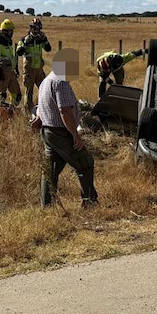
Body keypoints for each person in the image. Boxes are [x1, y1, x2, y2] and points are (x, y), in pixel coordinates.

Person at [31, 48, 98, 208]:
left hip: (47, 132)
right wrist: (75, 135)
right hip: (61, 132)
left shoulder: (46, 81)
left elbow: (41, 106)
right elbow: (65, 111)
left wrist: (39, 119)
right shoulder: (60, 82)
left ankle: (47, 206)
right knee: (85, 163)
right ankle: (89, 202)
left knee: (50, 170)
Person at [17, 18, 52, 101]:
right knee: (29, 92)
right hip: (29, 70)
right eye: (34, 28)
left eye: (38, 28)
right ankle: (28, 112)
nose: (36, 30)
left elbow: (48, 49)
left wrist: (45, 40)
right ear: (31, 28)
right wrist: (25, 44)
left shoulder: (40, 39)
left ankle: (43, 109)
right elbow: (19, 53)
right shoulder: (24, 39)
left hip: (39, 70)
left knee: (45, 90)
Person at [0, 18, 22, 106]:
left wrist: (15, 69)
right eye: (10, 31)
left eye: (12, 31)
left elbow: (11, 57)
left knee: (17, 95)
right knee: (2, 95)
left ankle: (12, 112)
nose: (12, 33)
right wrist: (0, 72)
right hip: (2, 71)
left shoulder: (8, 43)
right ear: (4, 31)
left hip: (10, 71)